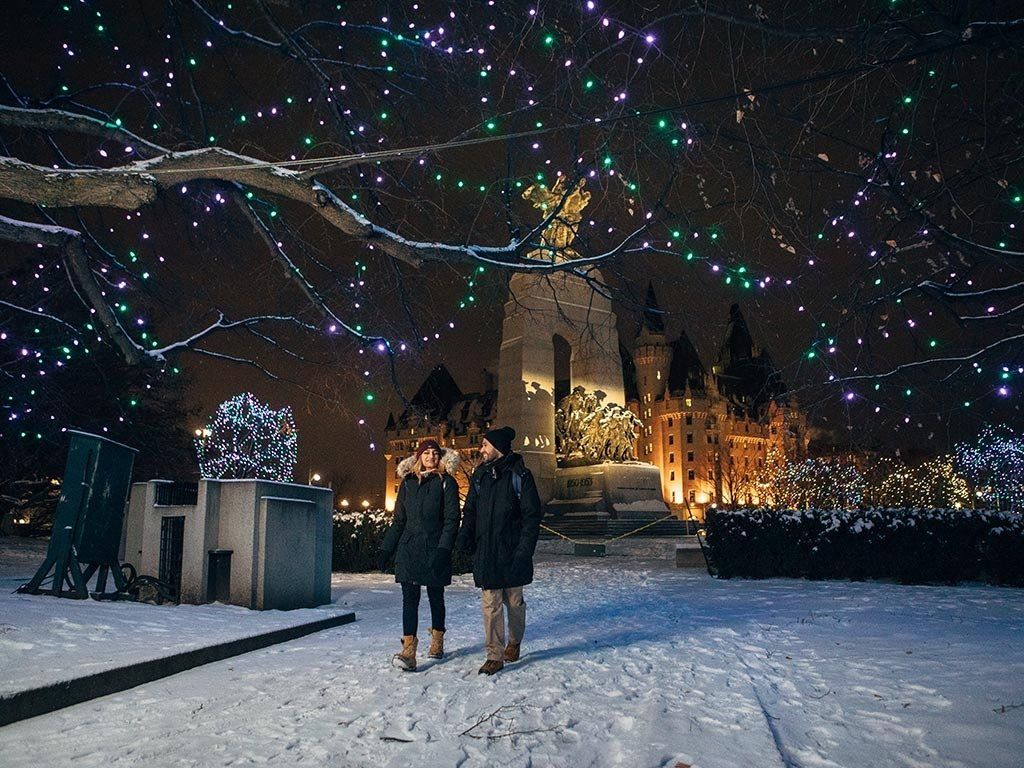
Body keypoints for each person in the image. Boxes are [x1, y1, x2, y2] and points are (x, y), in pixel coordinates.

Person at [456, 426, 543, 675]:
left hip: (512, 551)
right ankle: (494, 654)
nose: (481, 449)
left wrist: (524, 550)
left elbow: (531, 517)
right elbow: (470, 511)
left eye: (485, 445)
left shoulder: (521, 476)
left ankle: (514, 641)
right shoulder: (480, 476)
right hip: (486, 551)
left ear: (498, 448)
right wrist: (465, 538)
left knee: (514, 602)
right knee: (491, 603)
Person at [379, 439, 460, 672]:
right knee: (409, 600)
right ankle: (409, 651)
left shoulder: (447, 483)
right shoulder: (407, 483)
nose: (431, 457)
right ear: (419, 457)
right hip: (409, 548)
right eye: (427, 453)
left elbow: (452, 520)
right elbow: (399, 521)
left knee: (436, 596)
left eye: (435, 453)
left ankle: (437, 640)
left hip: (435, 547)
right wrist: (386, 548)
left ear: (440, 457)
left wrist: (444, 549)